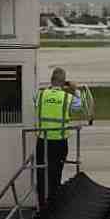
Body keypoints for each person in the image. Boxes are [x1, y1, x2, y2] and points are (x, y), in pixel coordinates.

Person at [33, 67, 82, 208]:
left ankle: (42, 205)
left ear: (51, 80)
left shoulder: (41, 95)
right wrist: (75, 90)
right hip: (59, 143)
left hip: (43, 141)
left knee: (42, 173)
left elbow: (35, 101)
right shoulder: (67, 97)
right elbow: (79, 106)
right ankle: (53, 205)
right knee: (56, 173)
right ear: (64, 82)